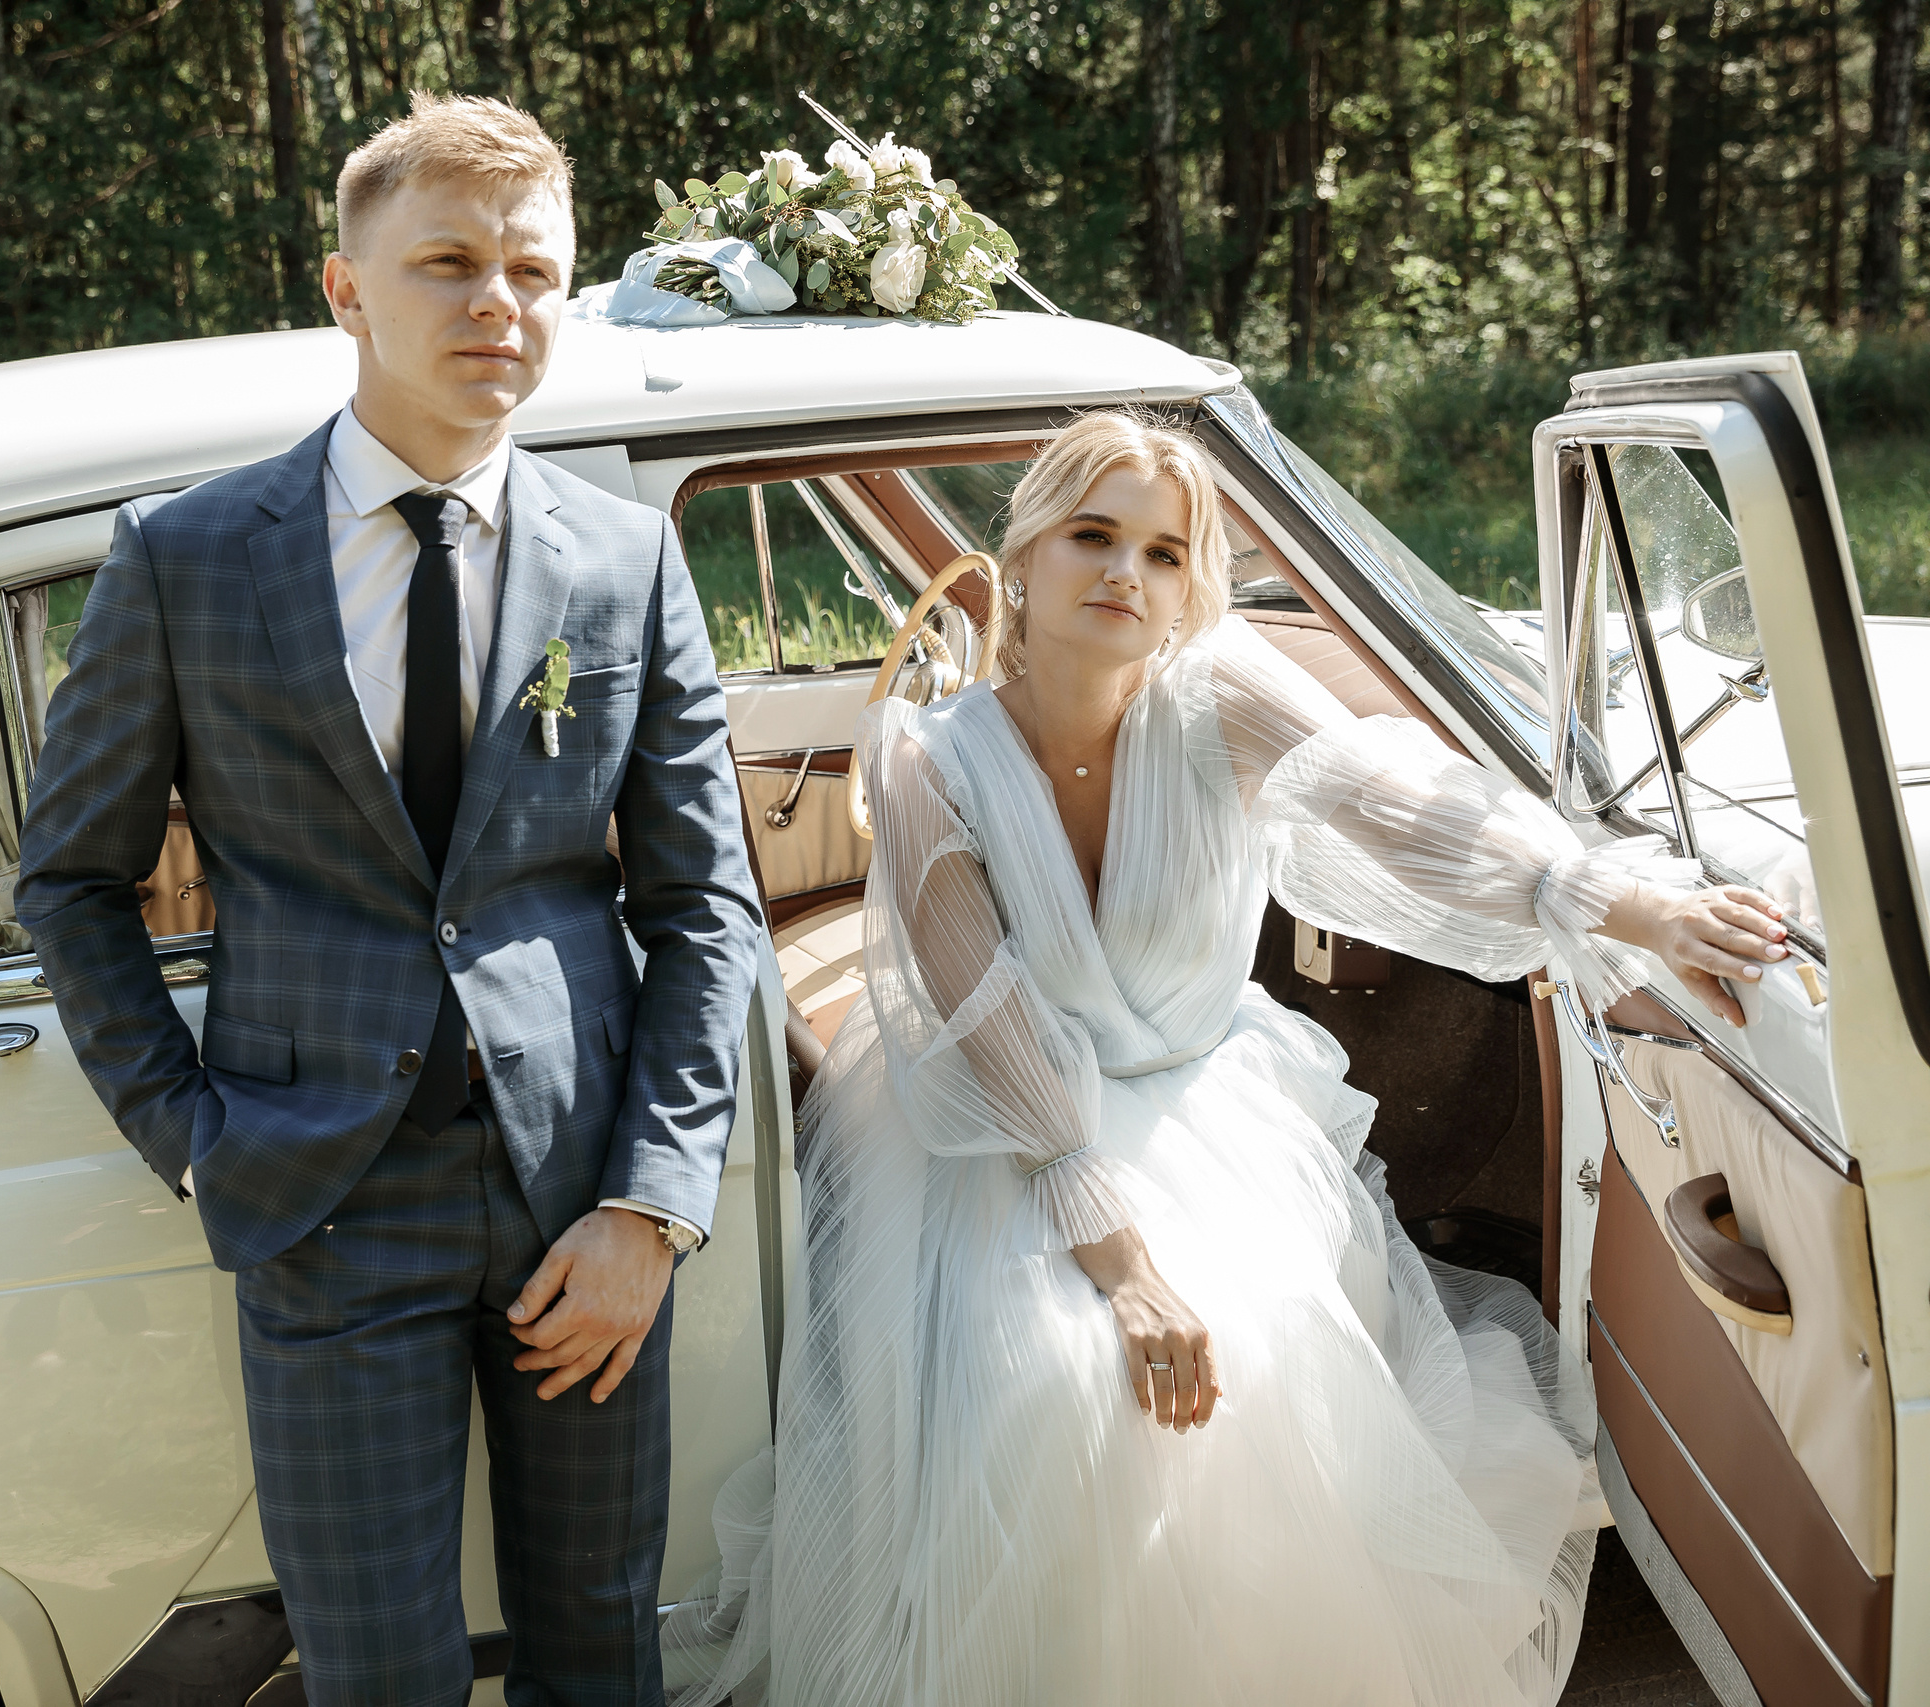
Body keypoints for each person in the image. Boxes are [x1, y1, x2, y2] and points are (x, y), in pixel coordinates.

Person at [661, 413, 1791, 1706]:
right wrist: (1126, 1268)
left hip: (1212, 1111)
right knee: (1061, 1390)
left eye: (1162, 550)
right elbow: (985, 1024)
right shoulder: (927, 757)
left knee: (1250, 1385)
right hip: (1007, 1137)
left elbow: (1391, 795)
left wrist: (1600, 894)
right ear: (1016, 557)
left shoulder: (1219, 695)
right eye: (1092, 536)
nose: (1124, 576)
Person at [17, 93, 765, 1707]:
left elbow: (709, 908)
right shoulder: (190, 560)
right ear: (348, 287)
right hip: (321, 1202)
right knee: (375, 1673)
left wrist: (652, 1205)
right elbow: (70, 884)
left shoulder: (623, 564)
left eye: (533, 271)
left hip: (581, 1207)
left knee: (600, 1650)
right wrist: (196, 1137)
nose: (497, 302)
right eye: (447, 262)